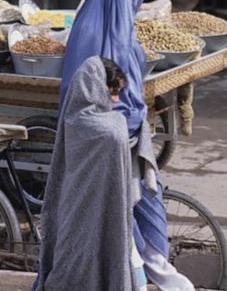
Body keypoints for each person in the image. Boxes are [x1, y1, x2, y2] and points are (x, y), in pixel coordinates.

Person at [59, 0, 195, 291]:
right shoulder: (93, 33)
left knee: (144, 204)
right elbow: (89, 97)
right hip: (106, 141)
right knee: (120, 220)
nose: (134, 2)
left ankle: (158, 274)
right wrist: (122, 123)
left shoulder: (116, 25)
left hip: (127, 134)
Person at [35, 56, 148, 291]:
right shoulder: (112, 127)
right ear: (96, 87)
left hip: (72, 209)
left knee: (70, 259)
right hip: (96, 209)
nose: (116, 100)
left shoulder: (73, 118)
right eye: (112, 91)